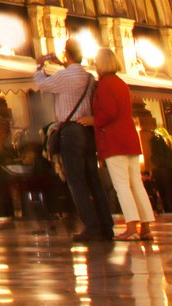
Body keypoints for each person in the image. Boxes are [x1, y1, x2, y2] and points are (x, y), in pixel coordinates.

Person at [33, 40, 112, 243]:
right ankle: (106, 226)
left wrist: (39, 66)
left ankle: (92, 228)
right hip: (88, 131)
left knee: (76, 182)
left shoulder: (64, 77)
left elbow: (41, 83)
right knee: (93, 179)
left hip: (70, 132)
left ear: (66, 54)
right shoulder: (88, 77)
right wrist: (64, 64)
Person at [91, 50, 153, 242]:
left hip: (114, 140)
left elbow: (109, 112)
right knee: (136, 184)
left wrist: (93, 120)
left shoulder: (104, 85)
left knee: (121, 186)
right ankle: (146, 226)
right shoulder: (121, 84)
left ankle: (131, 227)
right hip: (130, 139)